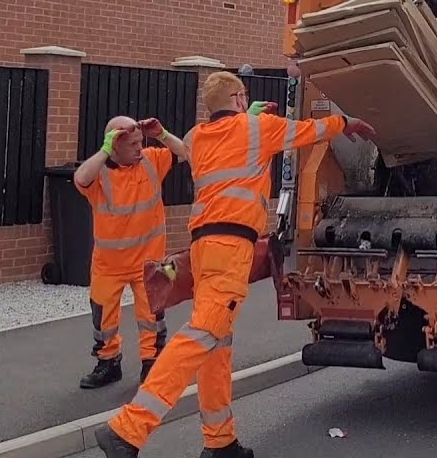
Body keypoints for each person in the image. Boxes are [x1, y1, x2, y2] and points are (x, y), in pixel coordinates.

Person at [95, 70, 376, 458]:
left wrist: (168, 134)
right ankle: (128, 429)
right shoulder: (259, 128)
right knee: (202, 335)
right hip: (231, 248)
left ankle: (220, 441)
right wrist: (346, 121)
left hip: (202, 248)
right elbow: (310, 130)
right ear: (241, 97)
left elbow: (187, 146)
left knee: (217, 344)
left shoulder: (198, 136)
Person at [73, 116, 188, 389]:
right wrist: (104, 149)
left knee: (152, 317)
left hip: (148, 261)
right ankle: (108, 363)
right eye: (133, 144)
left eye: (141, 142)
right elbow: (80, 177)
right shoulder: (99, 173)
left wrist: (161, 134)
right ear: (114, 145)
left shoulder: (151, 161)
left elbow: (185, 152)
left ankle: (152, 363)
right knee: (104, 319)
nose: (140, 148)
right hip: (108, 264)